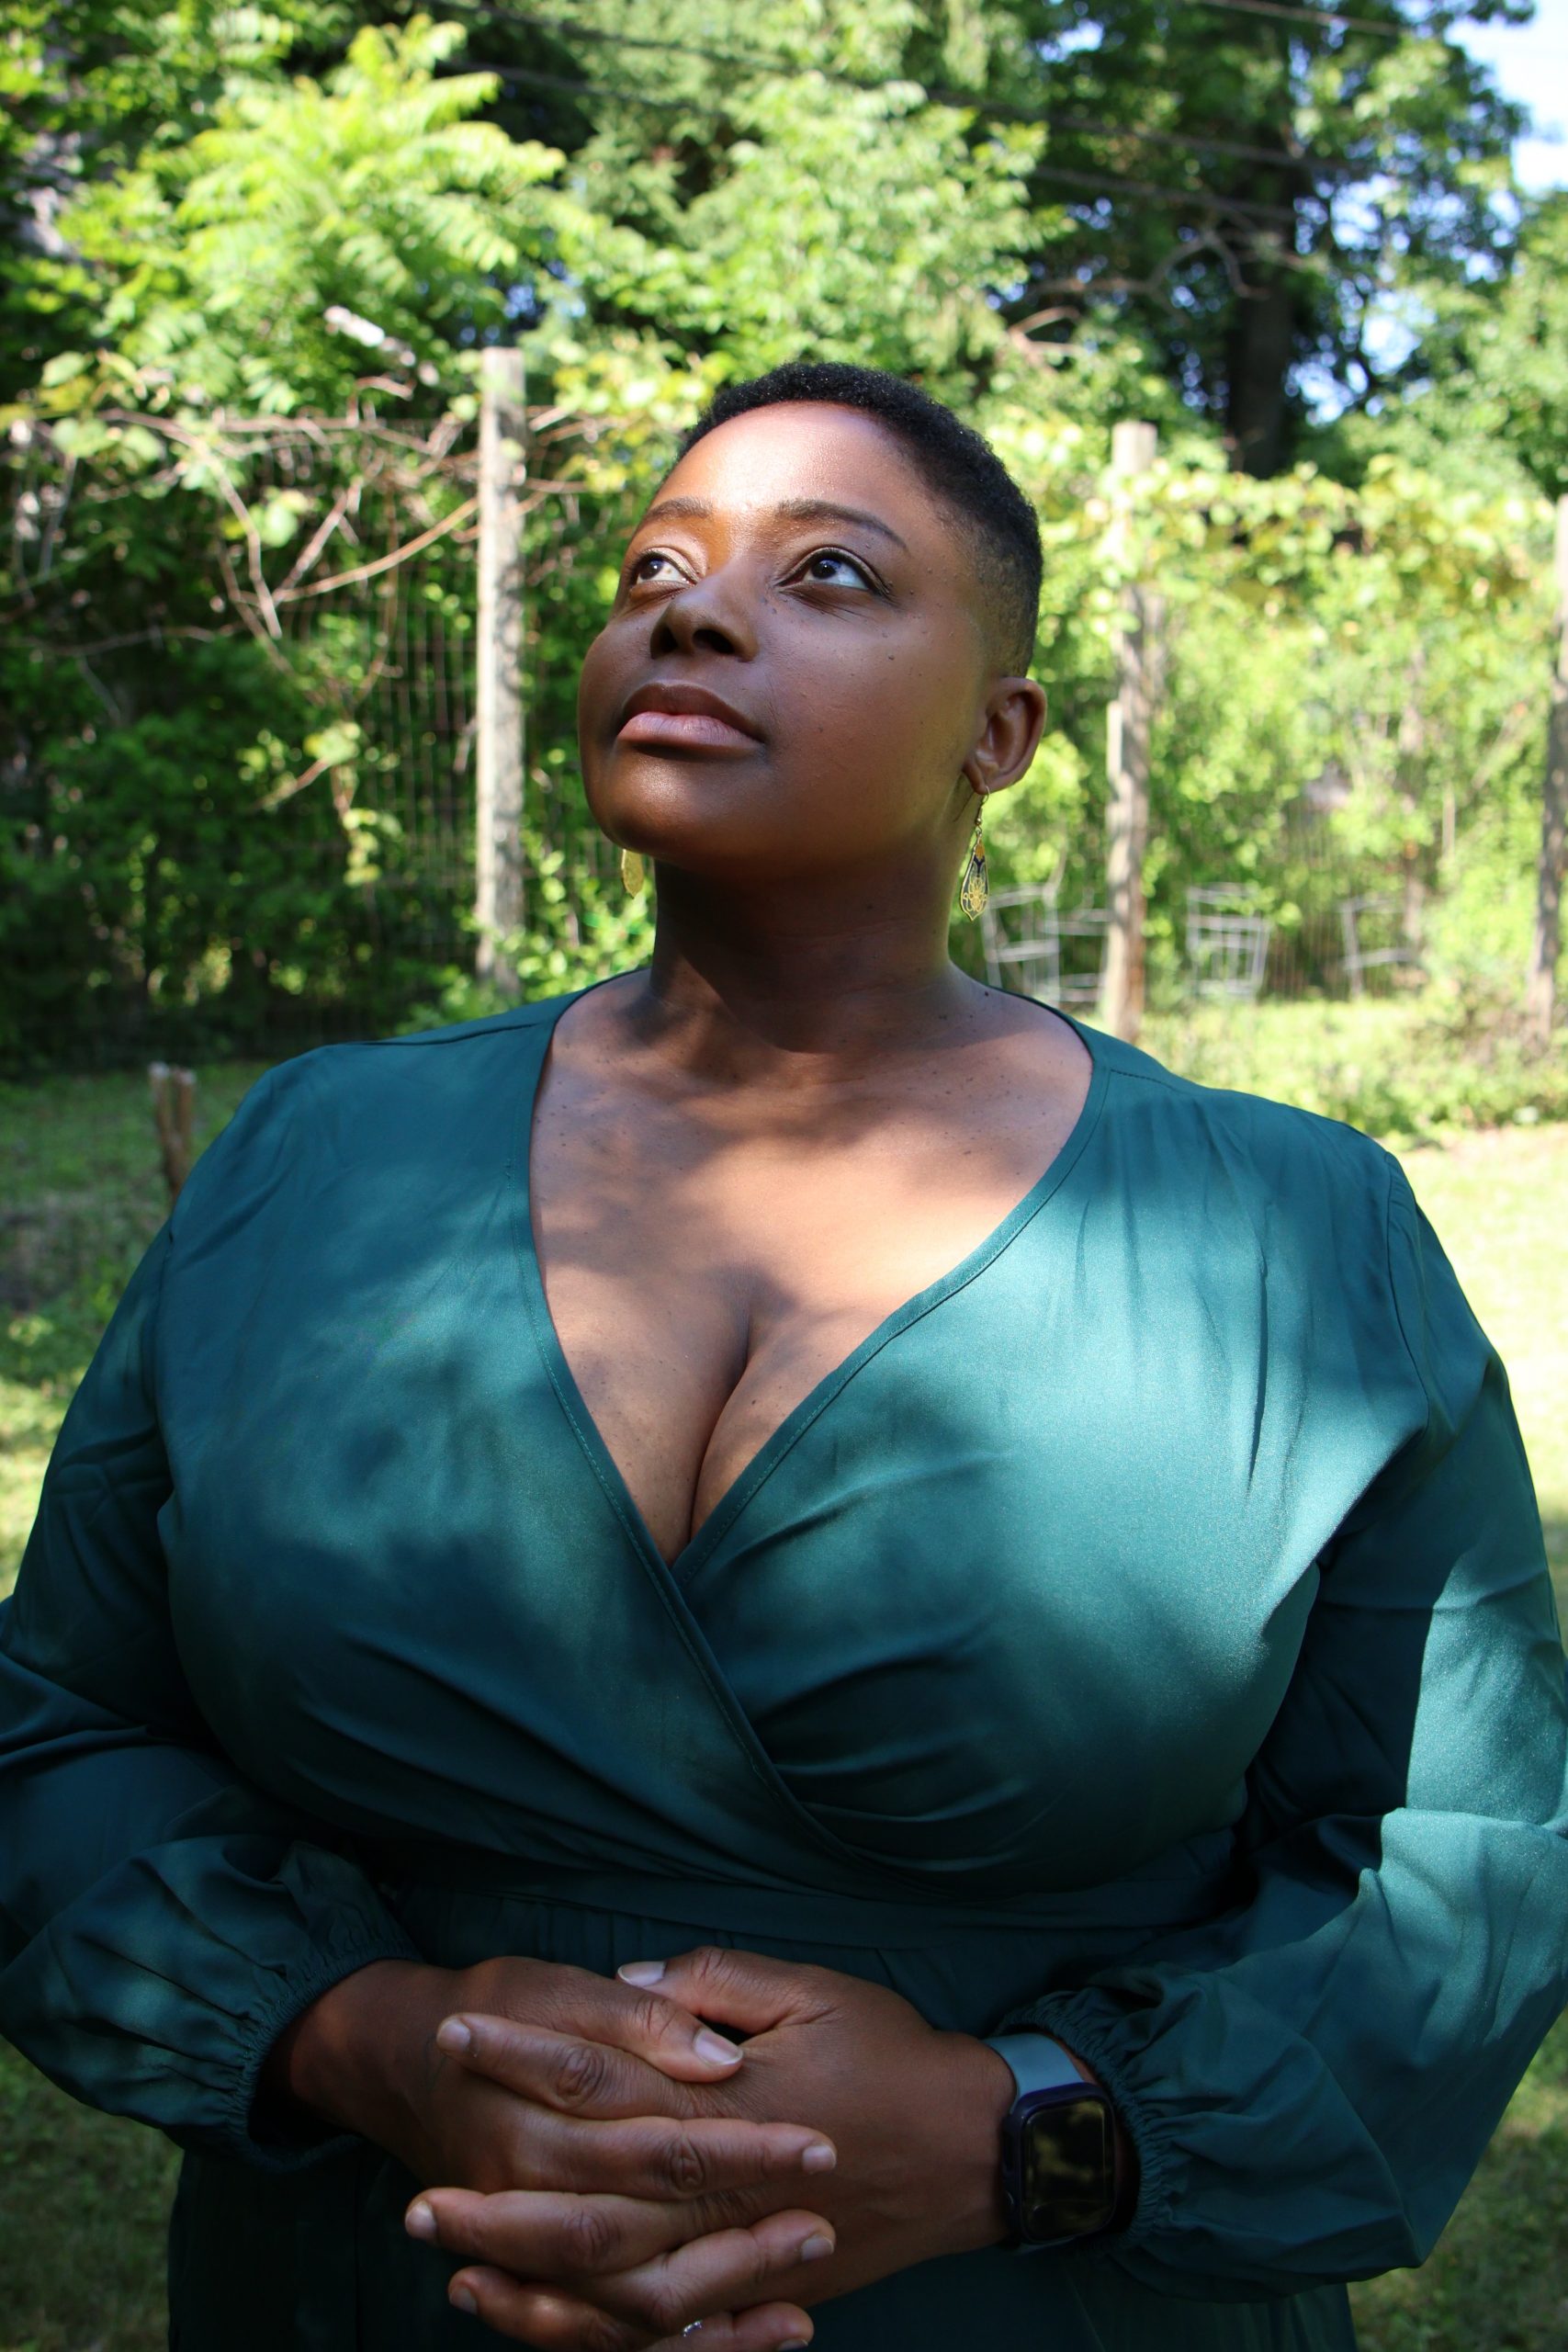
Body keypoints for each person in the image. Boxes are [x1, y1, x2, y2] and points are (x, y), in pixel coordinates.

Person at [2, 361, 1565, 2352]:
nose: (694, 604)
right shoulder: (312, 1161)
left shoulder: (1293, 1231)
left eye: (827, 573)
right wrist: (353, 2033)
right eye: (655, 559)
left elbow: (1466, 1852)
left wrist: (1022, 2132)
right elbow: (53, 1725)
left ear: (999, 732)